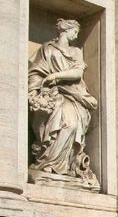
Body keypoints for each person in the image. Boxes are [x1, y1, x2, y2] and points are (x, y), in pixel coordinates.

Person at [27, 18, 98, 185]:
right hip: (52, 95)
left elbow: (77, 74)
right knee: (57, 122)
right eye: (75, 31)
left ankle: (65, 165)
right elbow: (35, 71)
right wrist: (36, 91)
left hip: (73, 95)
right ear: (66, 30)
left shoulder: (75, 51)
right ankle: (47, 163)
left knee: (72, 124)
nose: (76, 35)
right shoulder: (46, 49)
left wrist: (54, 76)